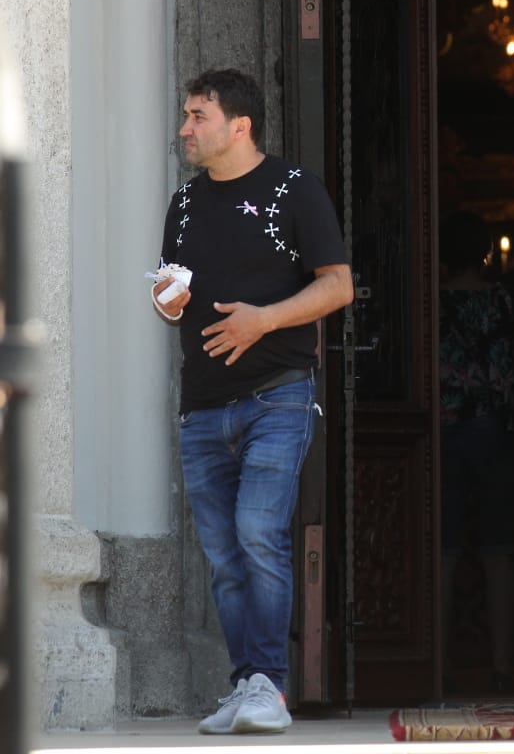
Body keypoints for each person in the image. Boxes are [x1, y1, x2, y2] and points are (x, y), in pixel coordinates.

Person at [151, 69, 353, 734]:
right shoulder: (183, 204)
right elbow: (170, 296)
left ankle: (270, 683)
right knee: (223, 555)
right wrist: (167, 302)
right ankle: (246, 684)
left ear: (240, 126)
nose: (185, 128)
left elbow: (338, 286)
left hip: (278, 395)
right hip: (203, 404)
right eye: (186, 115)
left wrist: (262, 320)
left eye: (197, 116)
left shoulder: (295, 188)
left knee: (258, 534)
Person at [437, 210, 514, 693]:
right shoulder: (506, 301)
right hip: (495, 430)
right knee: (499, 552)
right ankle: (503, 666)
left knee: (443, 551)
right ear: (486, 253)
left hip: (444, 429)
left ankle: (437, 666)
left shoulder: (431, 302)